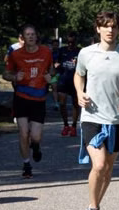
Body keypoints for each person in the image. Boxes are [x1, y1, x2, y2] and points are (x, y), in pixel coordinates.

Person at [75, 12, 119, 210]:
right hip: (91, 116)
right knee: (98, 164)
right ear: (98, 29)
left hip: (116, 119)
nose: (110, 30)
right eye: (106, 26)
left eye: (114, 26)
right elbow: (79, 75)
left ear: (118, 29)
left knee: (108, 168)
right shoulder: (86, 53)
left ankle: (96, 206)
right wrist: (80, 92)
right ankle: (92, 209)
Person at [4, 25, 53, 178]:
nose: (30, 37)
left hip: (39, 98)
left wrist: (51, 79)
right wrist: (14, 77)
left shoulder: (46, 52)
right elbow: (6, 74)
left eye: (33, 34)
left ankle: (36, 146)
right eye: (27, 34)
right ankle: (26, 164)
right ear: (22, 38)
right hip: (21, 98)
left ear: (36, 36)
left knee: (36, 136)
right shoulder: (16, 54)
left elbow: (53, 73)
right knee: (23, 133)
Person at [53, 34, 81, 137]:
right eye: (68, 42)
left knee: (75, 104)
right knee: (62, 103)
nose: (70, 44)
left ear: (75, 42)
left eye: (72, 42)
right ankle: (65, 125)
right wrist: (56, 66)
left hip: (75, 81)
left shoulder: (80, 51)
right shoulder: (61, 50)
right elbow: (55, 62)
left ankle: (73, 126)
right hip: (63, 80)